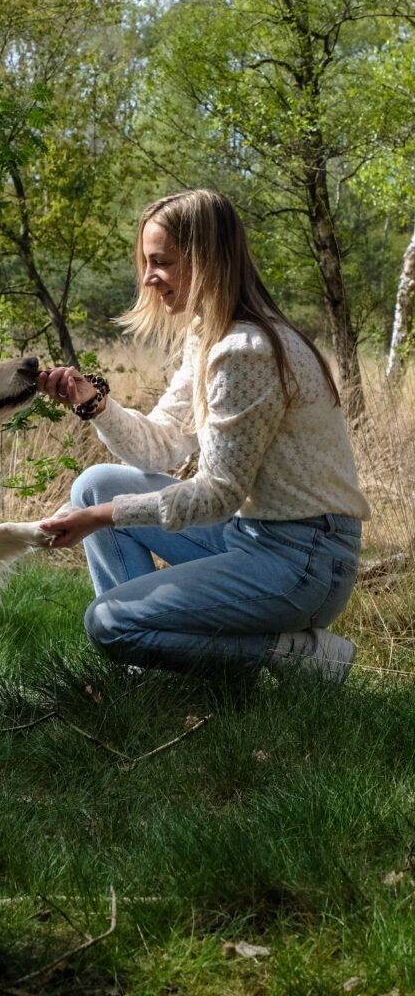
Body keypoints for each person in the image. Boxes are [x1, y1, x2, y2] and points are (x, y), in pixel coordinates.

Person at [37, 189, 370, 684]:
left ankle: (300, 656)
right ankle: (147, 664)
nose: (149, 278)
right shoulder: (209, 334)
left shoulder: (246, 350)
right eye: (147, 263)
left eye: (162, 262)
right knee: (97, 483)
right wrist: (94, 403)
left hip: (304, 562)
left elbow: (218, 494)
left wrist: (99, 519)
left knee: (107, 621)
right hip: (251, 536)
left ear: (208, 258)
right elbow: (161, 443)